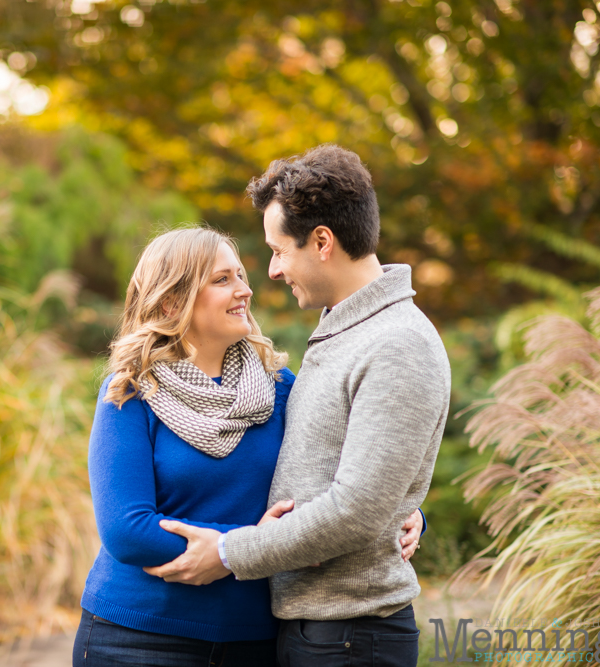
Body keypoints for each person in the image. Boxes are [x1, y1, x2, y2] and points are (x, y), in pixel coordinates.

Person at [143, 145, 451, 667]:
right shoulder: (347, 328)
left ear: (323, 242)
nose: (272, 271)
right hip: (316, 628)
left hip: (351, 636)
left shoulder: (397, 342)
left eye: (279, 250)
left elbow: (355, 512)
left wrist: (226, 553)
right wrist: (404, 508)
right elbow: (355, 475)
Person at [74, 226, 425, 666]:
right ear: (171, 301)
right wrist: (251, 544)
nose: (245, 290)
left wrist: (405, 512)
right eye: (222, 280)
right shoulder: (129, 392)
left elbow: (348, 482)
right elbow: (127, 531)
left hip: (255, 641)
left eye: (241, 276)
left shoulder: (281, 390)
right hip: (138, 638)